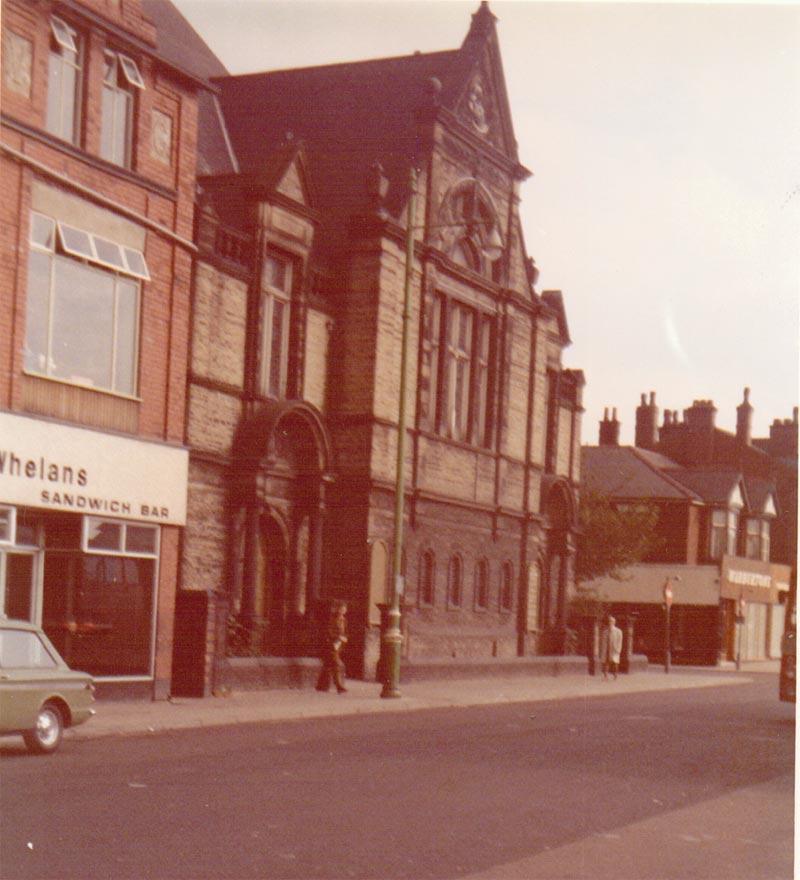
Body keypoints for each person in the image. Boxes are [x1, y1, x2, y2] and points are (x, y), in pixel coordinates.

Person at [316, 601, 348, 693]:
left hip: (339, 645)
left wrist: (345, 638)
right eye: (341, 609)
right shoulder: (332, 619)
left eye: (344, 609)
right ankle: (339, 686)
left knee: (328, 665)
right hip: (331, 644)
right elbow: (328, 631)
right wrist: (338, 637)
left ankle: (321, 686)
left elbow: (345, 632)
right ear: (337, 609)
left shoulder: (344, 620)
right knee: (336, 664)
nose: (342, 611)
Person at [599, 614, 623, 680]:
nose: (610, 623)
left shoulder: (618, 631)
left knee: (615, 663)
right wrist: (602, 650)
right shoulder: (605, 632)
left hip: (615, 649)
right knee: (606, 662)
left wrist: (618, 649)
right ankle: (606, 676)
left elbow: (620, 641)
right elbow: (603, 642)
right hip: (607, 649)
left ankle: (615, 675)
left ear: (614, 622)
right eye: (609, 621)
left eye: (611, 621)